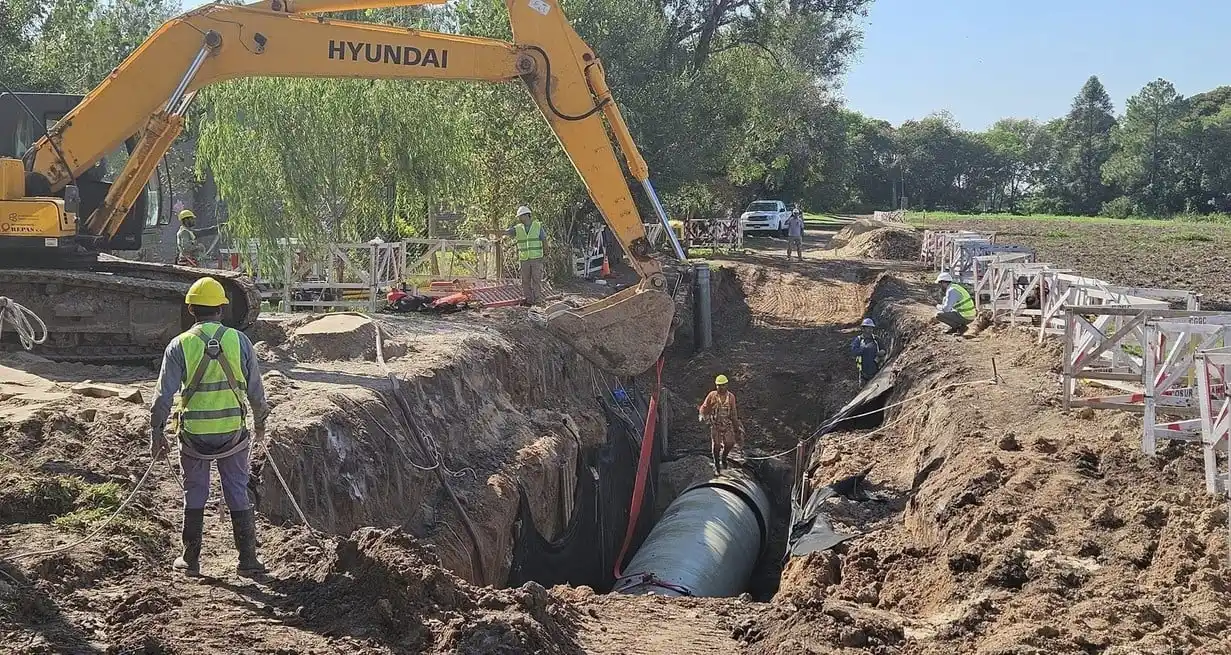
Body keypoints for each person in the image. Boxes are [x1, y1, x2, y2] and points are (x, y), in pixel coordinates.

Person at [150, 277, 270, 578]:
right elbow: (256, 391)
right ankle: (248, 561)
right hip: (233, 434)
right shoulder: (240, 341)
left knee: (195, 493)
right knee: (237, 491)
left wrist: (157, 433)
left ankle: (190, 561)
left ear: (191, 309)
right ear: (221, 309)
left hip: (194, 437)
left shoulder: (179, 345)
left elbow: (162, 397)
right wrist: (260, 426)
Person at [698, 374, 745, 475]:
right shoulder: (712, 395)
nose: (721, 387)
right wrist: (702, 415)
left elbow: (733, 413)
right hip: (716, 424)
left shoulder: (731, 397)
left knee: (730, 443)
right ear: (716, 386)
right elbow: (704, 407)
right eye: (719, 385)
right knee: (716, 445)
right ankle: (716, 464)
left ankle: (724, 458)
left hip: (727, 424)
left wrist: (736, 428)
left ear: (727, 385)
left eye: (723, 385)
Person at [505, 206, 547, 306]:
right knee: (525, 281)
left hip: (536, 258)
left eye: (520, 216)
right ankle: (529, 300)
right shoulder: (518, 228)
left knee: (536, 280)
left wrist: (546, 253)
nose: (519, 219)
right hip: (524, 259)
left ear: (526, 215)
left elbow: (544, 240)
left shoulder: (537, 226)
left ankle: (538, 300)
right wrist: (490, 232)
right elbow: (506, 232)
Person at [850, 318, 886, 384]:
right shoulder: (858, 340)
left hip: (876, 371)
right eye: (868, 328)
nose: (870, 330)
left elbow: (884, 349)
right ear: (863, 329)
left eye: (871, 328)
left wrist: (882, 352)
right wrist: (864, 349)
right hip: (863, 373)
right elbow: (854, 352)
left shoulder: (876, 339)